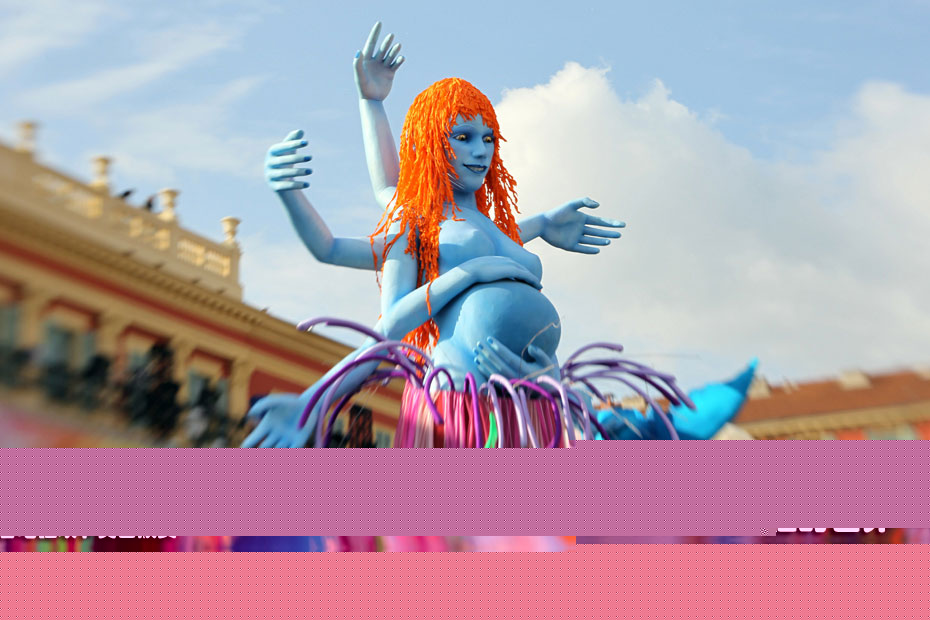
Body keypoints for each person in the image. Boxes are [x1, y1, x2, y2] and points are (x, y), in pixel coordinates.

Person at [243, 23, 752, 448]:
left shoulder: (498, 228)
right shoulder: (417, 220)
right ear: (430, 144)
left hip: (534, 406)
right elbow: (374, 303)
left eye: (487, 137)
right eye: (462, 137)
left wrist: (545, 230)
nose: (480, 150)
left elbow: (504, 242)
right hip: (461, 409)